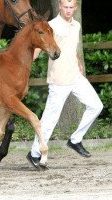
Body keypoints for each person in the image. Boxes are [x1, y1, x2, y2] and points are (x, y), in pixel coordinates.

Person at [27, 0, 103, 169]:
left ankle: (75, 140)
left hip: (75, 77)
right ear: (60, 7)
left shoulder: (76, 25)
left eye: (71, 7)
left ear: (75, 8)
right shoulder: (51, 26)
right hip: (59, 80)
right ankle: (34, 154)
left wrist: (79, 63)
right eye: (65, 7)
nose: (68, 10)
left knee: (96, 105)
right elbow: (39, 47)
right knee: (49, 120)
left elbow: (73, 47)